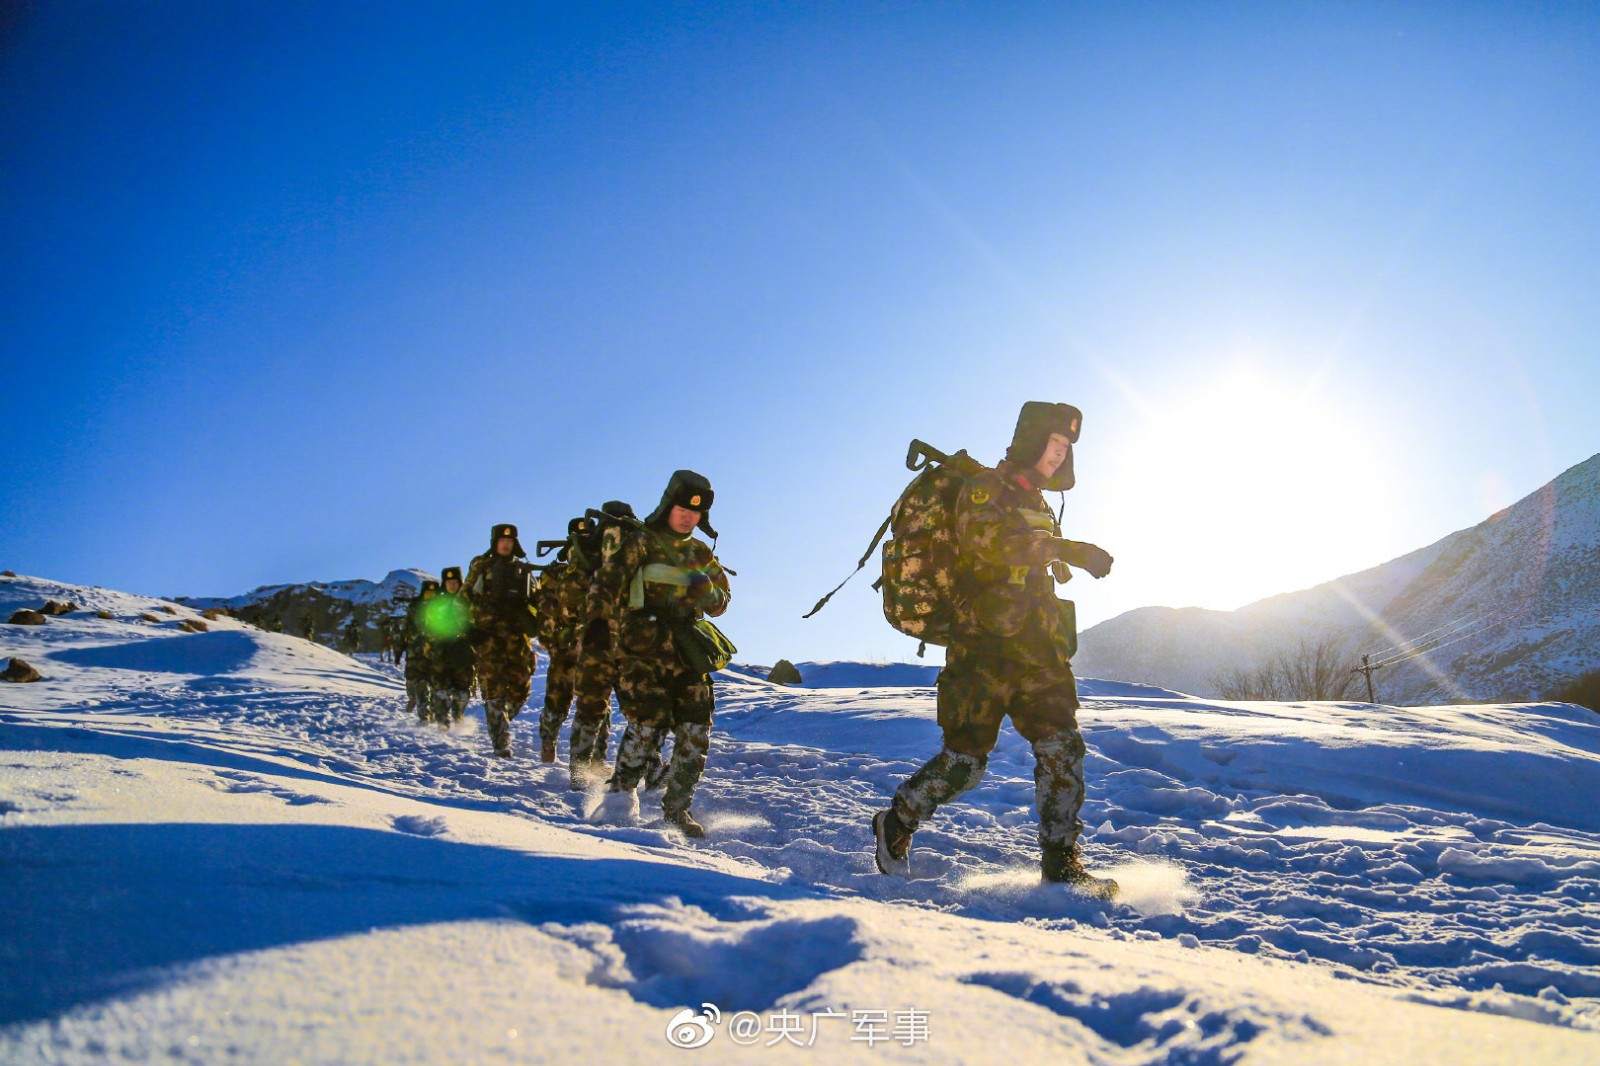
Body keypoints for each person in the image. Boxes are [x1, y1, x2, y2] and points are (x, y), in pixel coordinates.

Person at [871, 401, 1118, 895]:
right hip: (982, 649)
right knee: (964, 764)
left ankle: (1062, 865)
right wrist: (1063, 549)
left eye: (1066, 447)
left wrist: (1057, 558)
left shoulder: (1040, 502)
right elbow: (990, 545)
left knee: (1062, 747)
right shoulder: (983, 488)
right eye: (1053, 443)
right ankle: (896, 821)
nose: (1059, 454)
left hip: (1038, 649)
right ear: (1031, 441)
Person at [586, 472, 730, 837]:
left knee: (696, 731)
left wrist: (704, 586)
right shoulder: (640, 543)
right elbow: (606, 584)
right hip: (642, 651)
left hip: (688, 653)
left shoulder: (700, 552)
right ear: (668, 505)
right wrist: (599, 628)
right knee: (648, 725)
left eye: (696, 513)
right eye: (682, 508)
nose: (688, 517)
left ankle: (677, 812)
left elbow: (721, 605)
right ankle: (620, 796)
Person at [464, 523, 539, 757]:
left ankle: (499, 719)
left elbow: (537, 600)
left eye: (510, 540)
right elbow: (464, 598)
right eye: (501, 540)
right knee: (494, 690)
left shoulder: (524, 569)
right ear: (494, 542)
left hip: (517, 638)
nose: (506, 544)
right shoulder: (482, 565)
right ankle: (501, 743)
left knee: (521, 690)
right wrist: (467, 628)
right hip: (489, 638)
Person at [424, 566, 476, 727]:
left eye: (455, 582)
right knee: (441, 690)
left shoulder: (469, 600)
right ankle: (442, 723)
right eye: (449, 582)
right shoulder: (437, 603)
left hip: (463, 652)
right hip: (442, 652)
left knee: (462, 693)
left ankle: (458, 715)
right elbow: (429, 626)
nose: (452, 585)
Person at [399, 580, 440, 722]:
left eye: (433, 593)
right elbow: (407, 629)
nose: (430, 596)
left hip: (434, 655)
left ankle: (427, 717)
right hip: (415, 654)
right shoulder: (415, 608)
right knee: (413, 683)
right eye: (428, 593)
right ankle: (415, 702)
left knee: (430, 686)